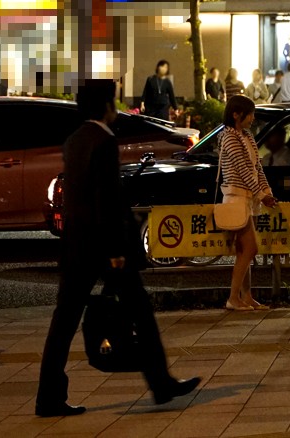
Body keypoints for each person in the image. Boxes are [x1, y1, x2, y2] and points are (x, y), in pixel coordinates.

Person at [36, 80, 200, 417]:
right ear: (107, 106)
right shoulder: (104, 141)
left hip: (76, 246)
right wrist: (115, 249)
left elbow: (81, 198)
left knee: (63, 321)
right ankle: (161, 383)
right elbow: (106, 200)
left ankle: (48, 396)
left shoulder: (75, 140)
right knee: (140, 311)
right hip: (105, 247)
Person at [219, 96, 278, 311]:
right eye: (250, 114)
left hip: (248, 198)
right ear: (236, 114)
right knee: (250, 248)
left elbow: (257, 168)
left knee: (244, 250)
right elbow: (243, 171)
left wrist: (267, 192)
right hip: (236, 197)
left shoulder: (247, 136)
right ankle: (233, 297)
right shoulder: (229, 137)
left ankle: (246, 296)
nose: (253, 118)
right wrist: (262, 195)